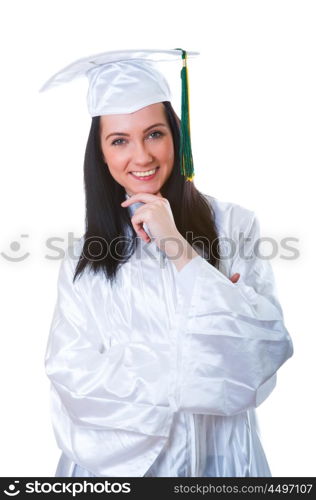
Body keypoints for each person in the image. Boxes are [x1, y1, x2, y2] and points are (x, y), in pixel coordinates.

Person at [42, 48, 293, 477]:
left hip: (221, 460)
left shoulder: (234, 225)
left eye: (154, 133)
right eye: (119, 140)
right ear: (101, 154)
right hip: (119, 471)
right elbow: (72, 376)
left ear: (176, 137)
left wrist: (179, 248)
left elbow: (261, 353)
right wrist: (204, 349)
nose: (141, 156)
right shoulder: (83, 257)